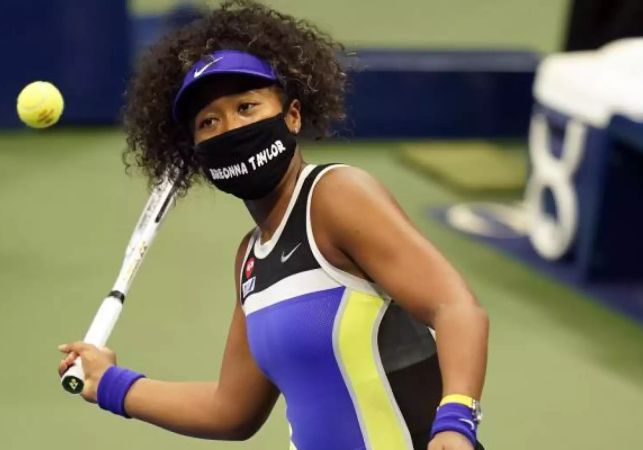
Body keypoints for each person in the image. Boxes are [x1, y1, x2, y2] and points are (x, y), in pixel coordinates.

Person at [58, 2, 489, 449]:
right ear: (196, 151)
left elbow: (455, 307)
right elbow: (231, 410)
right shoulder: (250, 258)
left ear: (293, 115)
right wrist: (109, 383)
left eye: (247, 107)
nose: (231, 127)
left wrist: (456, 421)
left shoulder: (335, 196)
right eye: (209, 121)